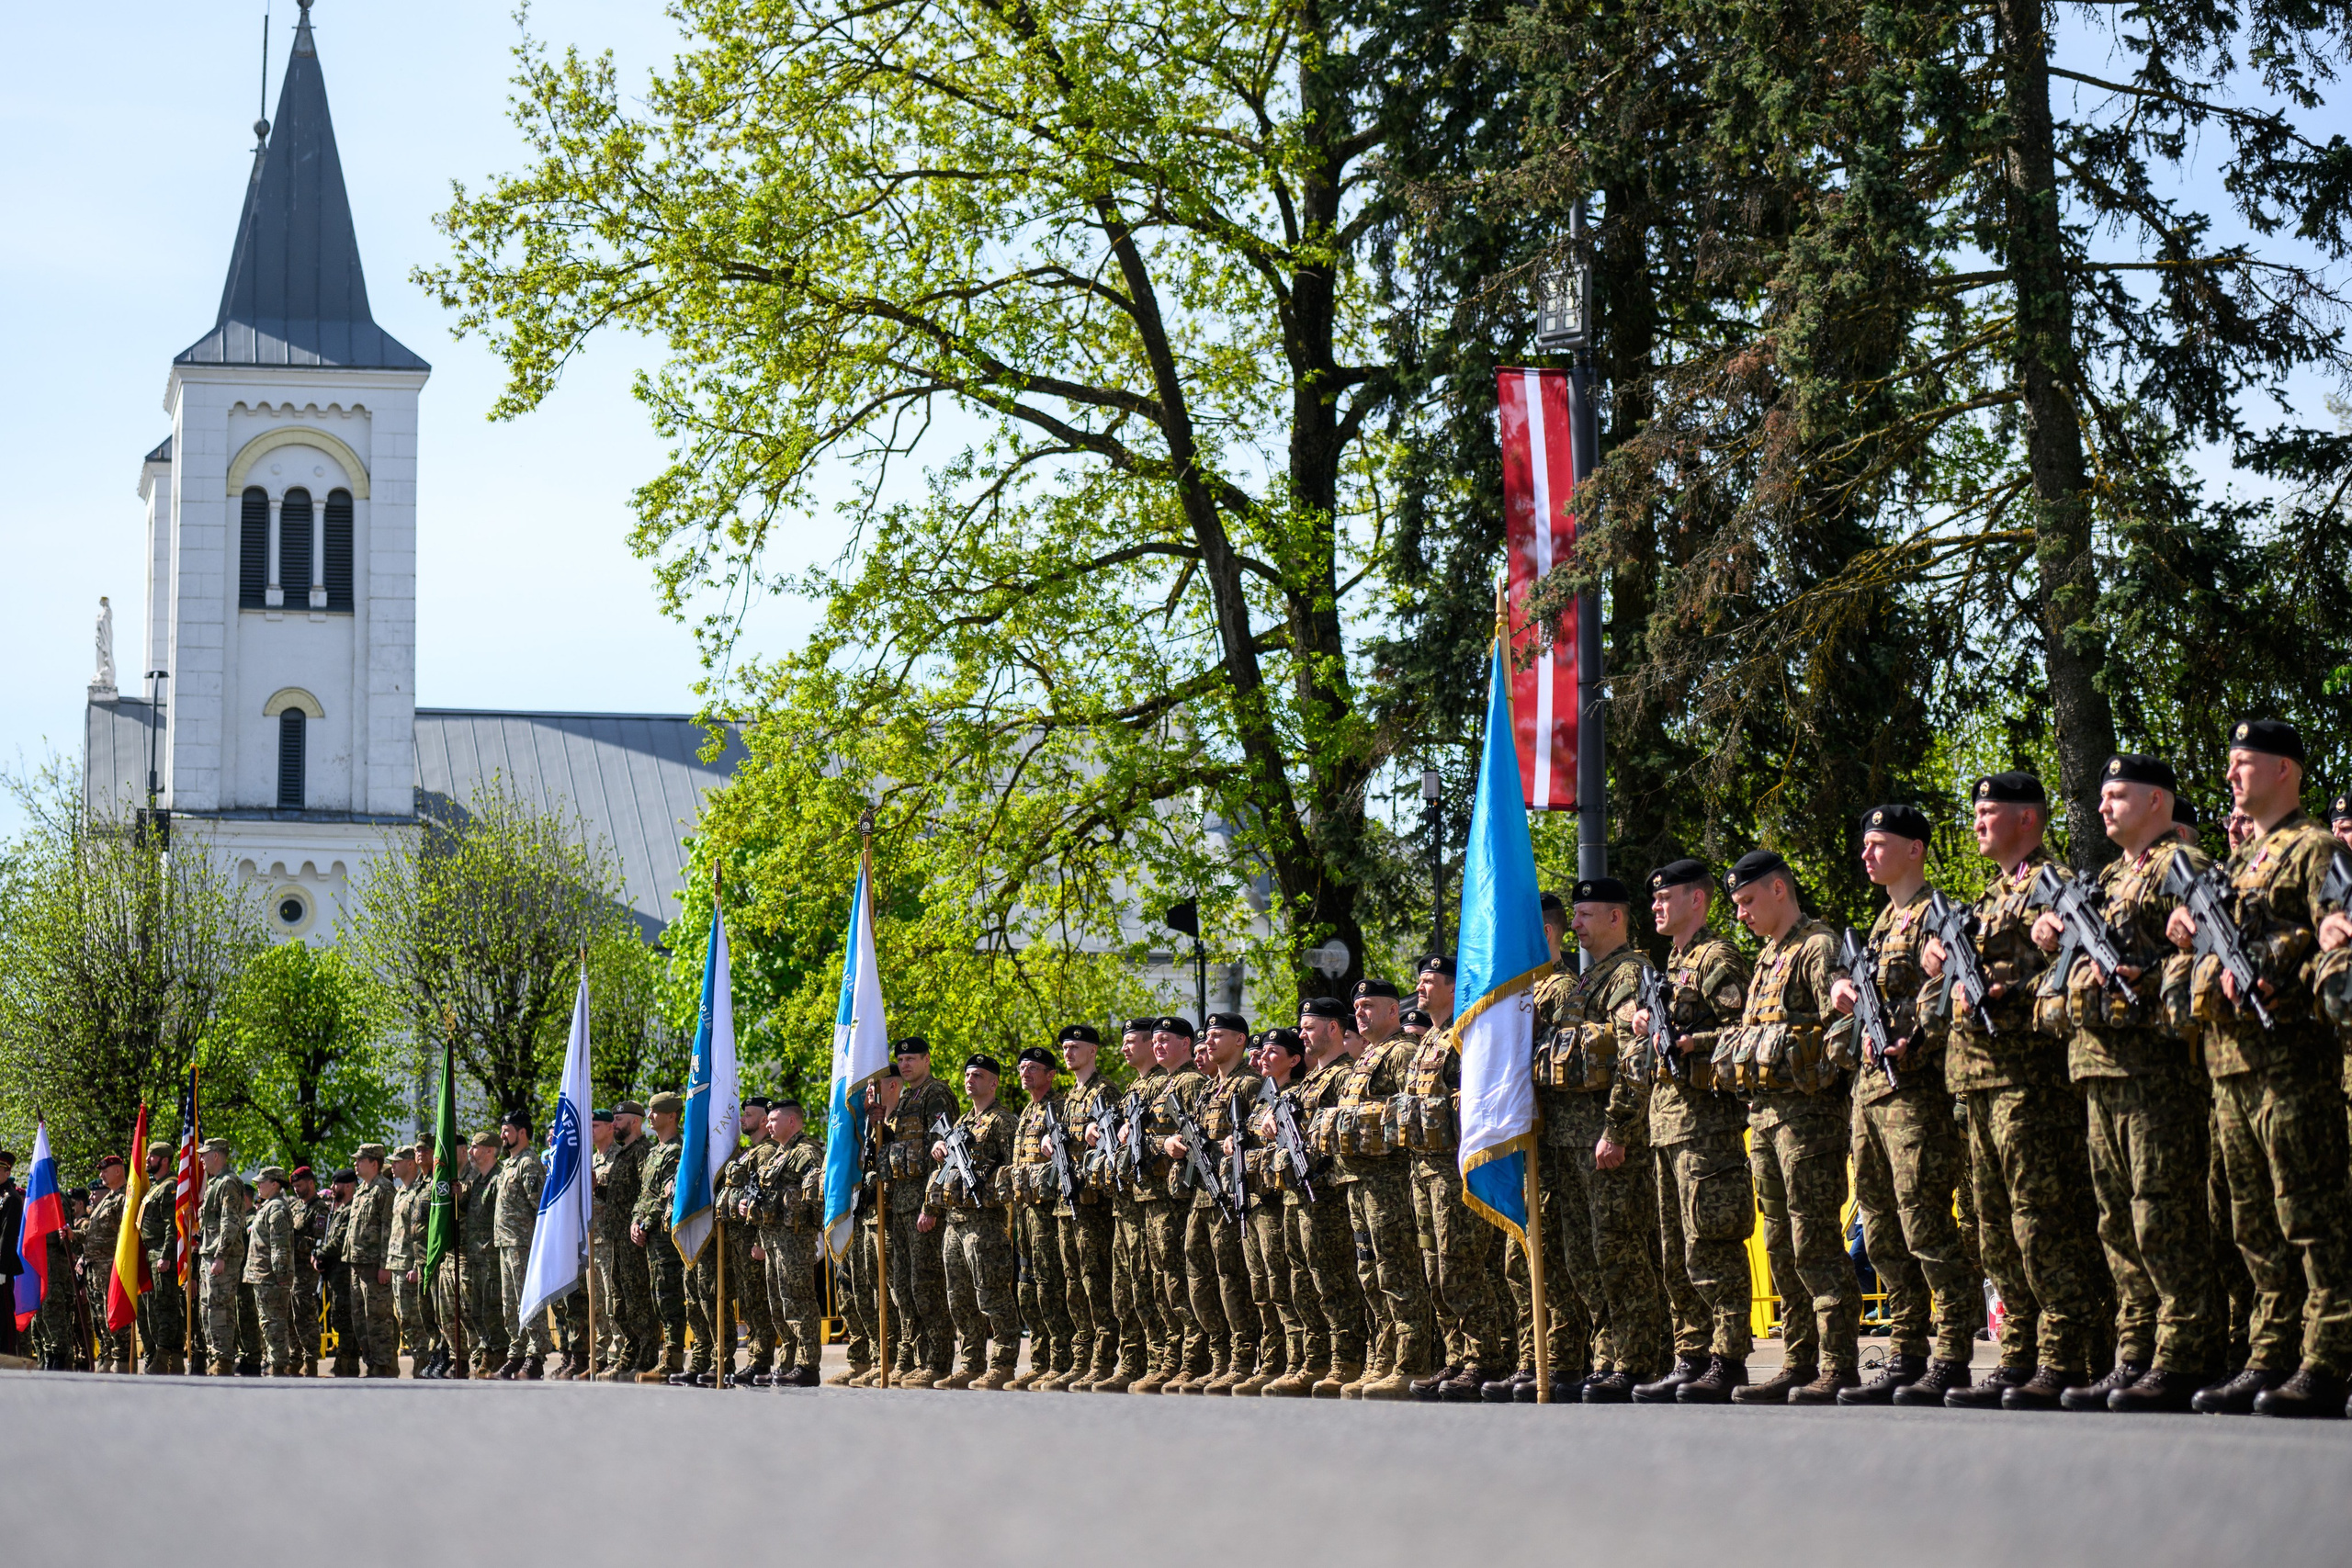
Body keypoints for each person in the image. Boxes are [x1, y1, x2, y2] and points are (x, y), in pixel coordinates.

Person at [2168, 721, 2352, 1416]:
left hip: (2290, 1065)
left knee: (2309, 1213)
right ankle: (2269, 1353)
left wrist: (2283, 963)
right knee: (2252, 1224)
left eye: (2244, 763)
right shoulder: (2239, 864)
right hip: (2230, 1068)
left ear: (2285, 770)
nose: (2232, 776)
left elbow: (2337, 938)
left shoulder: (2319, 849)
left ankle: (2328, 1357)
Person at [2030, 756, 2220, 1412]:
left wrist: (2158, 966)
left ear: (2157, 802)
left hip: (2155, 1073)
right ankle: (2134, 1350)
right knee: (2117, 1219)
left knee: (2161, 1211)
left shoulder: (2183, 868)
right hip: (2097, 1068)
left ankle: (2184, 1351)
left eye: (2118, 795)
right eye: (2102, 794)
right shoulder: (2109, 877)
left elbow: (2208, 951)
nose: (2104, 805)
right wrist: (2051, 935)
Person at [1923, 773, 2108, 1409]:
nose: (1976, 821)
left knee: (2040, 1221)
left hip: (2029, 1085)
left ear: (2027, 819)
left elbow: (2067, 978)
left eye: (1988, 811)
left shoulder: (2052, 889)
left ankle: (2064, 1355)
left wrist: (2008, 988)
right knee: (1993, 1228)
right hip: (1976, 1086)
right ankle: (2019, 1352)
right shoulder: (1989, 896)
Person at [1827, 809, 1982, 1407]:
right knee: (1881, 1227)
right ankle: (1908, 1348)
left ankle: (1951, 1353)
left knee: (1925, 1224)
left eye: (1877, 844)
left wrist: (1915, 1039)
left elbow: (1946, 999)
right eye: (1864, 844)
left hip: (1915, 1092)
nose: (1866, 855)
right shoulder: (1881, 923)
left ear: (1914, 849)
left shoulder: (1937, 917)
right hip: (1871, 1095)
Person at [1717, 851, 1862, 1404]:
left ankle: (1837, 1363)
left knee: (1813, 1242)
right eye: (1736, 905)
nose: (1741, 915)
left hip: (1808, 1123)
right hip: (1765, 1119)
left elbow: (1842, 1024)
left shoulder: (1816, 947)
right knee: (1779, 1245)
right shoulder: (1767, 958)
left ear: (1780, 890)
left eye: (1748, 901)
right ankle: (1799, 1361)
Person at [1534, 879, 1668, 1402]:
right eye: (1575, 915)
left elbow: (1634, 1057)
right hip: (1571, 1142)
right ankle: (1608, 1353)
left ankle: (1636, 1359)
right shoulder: (1589, 982)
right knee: (1583, 1256)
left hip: (1604, 1140)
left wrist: (1617, 1129)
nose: (1576, 925)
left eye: (1586, 915)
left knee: (1619, 1251)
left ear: (1617, 918)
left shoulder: (1629, 974)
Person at [1631, 861, 1758, 1404]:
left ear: (1698, 902)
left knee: (1712, 1240)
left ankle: (1727, 1358)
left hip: (1706, 1123)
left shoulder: (1716, 958)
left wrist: (1694, 1041)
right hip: (1667, 1125)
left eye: (1667, 897)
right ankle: (1691, 1354)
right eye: (1654, 898)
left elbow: (1744, 1029)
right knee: (1675, 1247)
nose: (1657, 905)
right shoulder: (1674, 962)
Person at [1398, 956, 1504, 1403]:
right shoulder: (1428, 1041)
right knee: (1433, 1266)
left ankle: (1485, 1358)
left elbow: (1479, 1097)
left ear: (1452, 987)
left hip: (1451, 1167)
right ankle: (1457, 1355)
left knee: (1459, 1262)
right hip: (1421, 1167)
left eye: (1428, 981)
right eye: (1419, 980)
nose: (1420, 989)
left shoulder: (1465, 1035)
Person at [1335, 979, 1435, 1399]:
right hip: (1359, 1181)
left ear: (1394, 1011)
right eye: (1357, 1007)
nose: (1360, 1013)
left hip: (1389, 1181)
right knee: (1370, 1272)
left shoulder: (1402, 1052)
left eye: (1369, 1006)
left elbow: (1408, 1112)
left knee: (1396, 1270)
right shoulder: (1368, 1057)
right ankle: (1383, 1355)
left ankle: (1411, 1362)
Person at [928, 1053, 1020, 1388]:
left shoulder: (1003, 1121)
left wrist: (991, 1180)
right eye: (968, 1075)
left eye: (978, 1076)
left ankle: (1004, 1363)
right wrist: (940, 1149)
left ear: (993, 1083)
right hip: (954, 1221)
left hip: (985, 1221)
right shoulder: (960, 1124)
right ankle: (971, 1362)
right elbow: (943, 1169)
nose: (970, 1080)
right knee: (959, 1297)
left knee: (991, 1294)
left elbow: (1015, 1168)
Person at [881, 1037, 962, 1385]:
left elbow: (942, 1154)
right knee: (904, 1286)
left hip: (922, 1207)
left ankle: (937, 1360)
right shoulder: (902, 1102)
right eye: (901, 1059)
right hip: (900, 1205)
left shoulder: (935, 1095)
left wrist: (931, 1205)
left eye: (912, 1058)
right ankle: (914, 1356)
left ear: (927, 1059)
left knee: (925, 1285)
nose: (905, 1064)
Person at [1094, 1019, 1165, 1392]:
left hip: (1150, 1200)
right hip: (1126, 1200)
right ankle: (1134, 1360)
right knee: (1126, 1287)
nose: (1125, 1048)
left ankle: (1157, 1360)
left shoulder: (1163, 1084)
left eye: (1132, 1041)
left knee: (1149, 1283)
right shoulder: (1135, 1088)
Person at [1056, 1025, 1119, 1390]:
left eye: (1075, 1047)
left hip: (1093, 1202)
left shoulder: (1104, 1091)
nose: (1068, 1053)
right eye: (1065, 1047)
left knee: (1096, 1280)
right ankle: (1082, 1358)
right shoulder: (1071, 1095)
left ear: (1093, 1051)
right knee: (1074, 1283)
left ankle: (1104, 1358)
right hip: (1069, 1201)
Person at [748, 1099, 823, 1389]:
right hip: (773, 1240)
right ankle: (789, 1362)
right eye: (767, 1120)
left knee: (799, 1301)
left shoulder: (805, 1153)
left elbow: (815, 1193)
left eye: (774, 1119)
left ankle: (807, 1365)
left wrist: (782, 1202)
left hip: (795, 1239)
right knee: (779, 1306)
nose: (768, 1124)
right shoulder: (779, 1155)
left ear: (792, 1121)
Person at [631, 1093, 689, 1382]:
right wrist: (635, 1221)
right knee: (657, 1296)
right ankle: (663, 1357)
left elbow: (669, 1196)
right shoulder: (655, 1151)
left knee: (669, 1297)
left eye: (655, 1112)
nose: (650, 1117)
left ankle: (673, 1360)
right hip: (651, 1236)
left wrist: (645, 1222)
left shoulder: (677, 1150)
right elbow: (645, 1195)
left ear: (671, 1116)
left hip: (665, 1236)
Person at [599, 1101, 655, 1379]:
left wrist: (641, 1222)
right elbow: (619, 1195)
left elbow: (647, 1191)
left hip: (635, 1240)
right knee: (619, 1301)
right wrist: (598, 1189)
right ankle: (630, 1351)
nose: (614, 1125)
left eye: (618, 1119)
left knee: (638, 1300)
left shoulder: (643, 1152)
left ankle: (646, 1356)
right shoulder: (623, 1154)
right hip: (618, 1239)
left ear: (635, 1122)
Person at [492, 1111, 548, 1380]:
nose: (502, 1135)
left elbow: (540, 1205)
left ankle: (535, 1355)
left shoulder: (529, 1164)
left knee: (528, 1301)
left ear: (522, 1132)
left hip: (523, 1243)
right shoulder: (508, 1164)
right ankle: (517, 1352)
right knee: (510, 1304)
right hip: (505, 1243)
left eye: (507, 1130)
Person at [197, 1137, 250, 1377]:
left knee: (220, 1308)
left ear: (215, 1155)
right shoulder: (215, 1183)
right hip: (209, 1252)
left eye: (204, 1154)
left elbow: (230, 1222)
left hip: (222, 1255)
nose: (201, 1159)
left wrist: (221, 1255)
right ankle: (215, 1356)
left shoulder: (228, 1183)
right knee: (208, 1307)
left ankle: (223, 1360)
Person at [345, 1144, 399, 1376]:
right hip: (357, 1265)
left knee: (378, 1318)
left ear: (374, 1164)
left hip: (374, 1266)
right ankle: (372, 1363)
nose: (355, 1164)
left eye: (360, 1160)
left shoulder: (383, 1190)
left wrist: (385, 1264)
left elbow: (390, 1227)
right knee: (360, 1320)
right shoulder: (361, 1190)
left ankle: (385, 1365)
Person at [136, 1142, 186, 1374]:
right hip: (152, 1253)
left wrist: (166, 1256)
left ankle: (163, 1356)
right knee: (157, 1307)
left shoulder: (170, 1187)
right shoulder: (156, 1187)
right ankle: (172, 1360)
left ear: (164, 1160)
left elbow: (171, 1225)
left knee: (164, 1307)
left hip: (161, 1255)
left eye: (152, 1157)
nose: (147, 1160)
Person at [461, 1134, 508, 1376]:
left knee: (492, 1308)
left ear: (490, 1151)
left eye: (475, 1147)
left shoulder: (499, 1179)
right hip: (475, 1256)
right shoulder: (477, 1180)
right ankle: (488, 1349)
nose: (470, 1151)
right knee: (477, 1309)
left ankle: (499, 1352)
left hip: (492, 1256)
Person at [243, 1168, 297, 1375]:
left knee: (273, 1323)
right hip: (262, 1275)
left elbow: (280, 1246)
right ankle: (274, 1361)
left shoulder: (277, 1209)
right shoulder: (268, 1206)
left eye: (261, 1182)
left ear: (274, 1184)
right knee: (268, 1322)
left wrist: (281, 1275)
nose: (257, 1185)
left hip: (271, 1278)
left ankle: (278, 1365)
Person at [82, 1155, 131, 1372]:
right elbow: (96, 1235)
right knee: (100, 1318)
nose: (101, 1175)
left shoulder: (124, 1199)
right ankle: (107, 1356)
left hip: (112, 1268)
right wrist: (74, 1236)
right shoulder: (108, 1199)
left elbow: (126, 1234)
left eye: (105, 1170)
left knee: (114, 1316)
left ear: (118, 1171)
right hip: (96, 1269)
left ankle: (121, 1360)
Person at [286, 1167, 328, 1377]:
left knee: (306, 1316)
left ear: (311, 1183)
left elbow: (319, 1241)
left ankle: (310, 1360)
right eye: (294, 1186)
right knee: (291, 1316)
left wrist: (293, 1240)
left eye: (300, 1185)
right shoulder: (295, 1207)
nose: (296, 1190)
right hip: (292, 1271)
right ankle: (295, 1356)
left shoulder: (319, 1208)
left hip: (307, 1272)